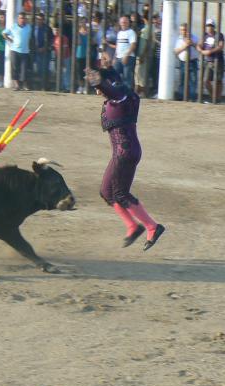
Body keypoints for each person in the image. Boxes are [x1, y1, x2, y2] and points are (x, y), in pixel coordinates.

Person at [85, 60, 165, 251]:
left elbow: (109, 88)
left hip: (125, 152)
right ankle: (132, 226)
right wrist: (108, 69)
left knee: (120, 193)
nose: (97, 92)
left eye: (98, 89)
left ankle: (152, 226)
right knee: (107, 191)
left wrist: (97, 79)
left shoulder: (120, 95)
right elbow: (114, 80)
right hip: (123, 151)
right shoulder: (123, 93)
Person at [2, 11, 32, 91]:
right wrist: (10, 40)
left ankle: (25, 85)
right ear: (18, 19)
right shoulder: (13, 27)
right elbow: (4, 33)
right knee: (15, 68)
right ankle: (17, 85)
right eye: (21, 18)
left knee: (24, 69)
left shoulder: (28, 27)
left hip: (25, 51)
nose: (22, 20)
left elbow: (30, 38)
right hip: (15, 50)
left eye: (24, 18)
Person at [197, 18, 224, 103]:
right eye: (208, 25)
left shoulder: (219, 35)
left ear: (214, 26)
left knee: (218, 80)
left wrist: (210, 51)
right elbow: (198, 45)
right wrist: (202, 51)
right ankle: (214, 97)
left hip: (218, 60)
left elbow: (221, 46)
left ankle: (218, 98)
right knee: (206, 80)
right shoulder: (205, 35)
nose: (209, 27)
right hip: (208, 61)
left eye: (211, 25)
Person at [174, 22, 198, 101]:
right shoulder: (178, 39)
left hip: (193, 61)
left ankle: (192, 98)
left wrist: (192, 43)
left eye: (184, 30)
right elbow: (175, 51)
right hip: (182, 62)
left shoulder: (195, 37)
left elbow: (199, 48)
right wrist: (184, 46)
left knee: (193, 80)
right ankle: (181, 97)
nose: (183, 32)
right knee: (182, 80)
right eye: (181, 30)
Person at [113, 15, 136, 90]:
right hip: (118, 57)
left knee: (127, 77)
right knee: (115, 75)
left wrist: (126, 55)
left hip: (128, 58)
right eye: (122, 22)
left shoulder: (131, 32)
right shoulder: (119, 33)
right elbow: (118, 46)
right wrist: (114, 57)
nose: (124, 24)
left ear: (128, 23)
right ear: (120, 23)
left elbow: (133, 45)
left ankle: (128, 93)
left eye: (125, 22)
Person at [33, 12, 52, 88]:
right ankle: (42, 84)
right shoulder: (34, 28)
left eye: (40, 19)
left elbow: (50, 40)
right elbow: (32, 39)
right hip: (37, 51)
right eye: (38, 19)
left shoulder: (48, 29)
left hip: (46, 51)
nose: (39, 21)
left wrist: (44, 48)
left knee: (45, 68)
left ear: (43, 20)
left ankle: (46, 85)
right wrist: (36, 48)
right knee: (39, 69)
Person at [53, 24, 70, 92]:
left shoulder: (64, 38)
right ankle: (62, 87)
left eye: (57, 30)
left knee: (66, 72)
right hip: (58, 58)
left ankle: (67, 87)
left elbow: (64, 49)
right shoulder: (55, 38)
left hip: (65, 58)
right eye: (54, 30)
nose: (55, 31)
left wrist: (62, 60)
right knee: (60, 73)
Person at [75, 18, 88, 94]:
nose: (83, 24)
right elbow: (79, 42)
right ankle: (81, 86)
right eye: (82, 22)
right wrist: (78, 33)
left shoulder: (89, 32)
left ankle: (86, 86)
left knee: (87, 71)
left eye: (84, 22)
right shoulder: (78, 32)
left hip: (87, 54)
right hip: (79, 54)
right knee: (80, 72)